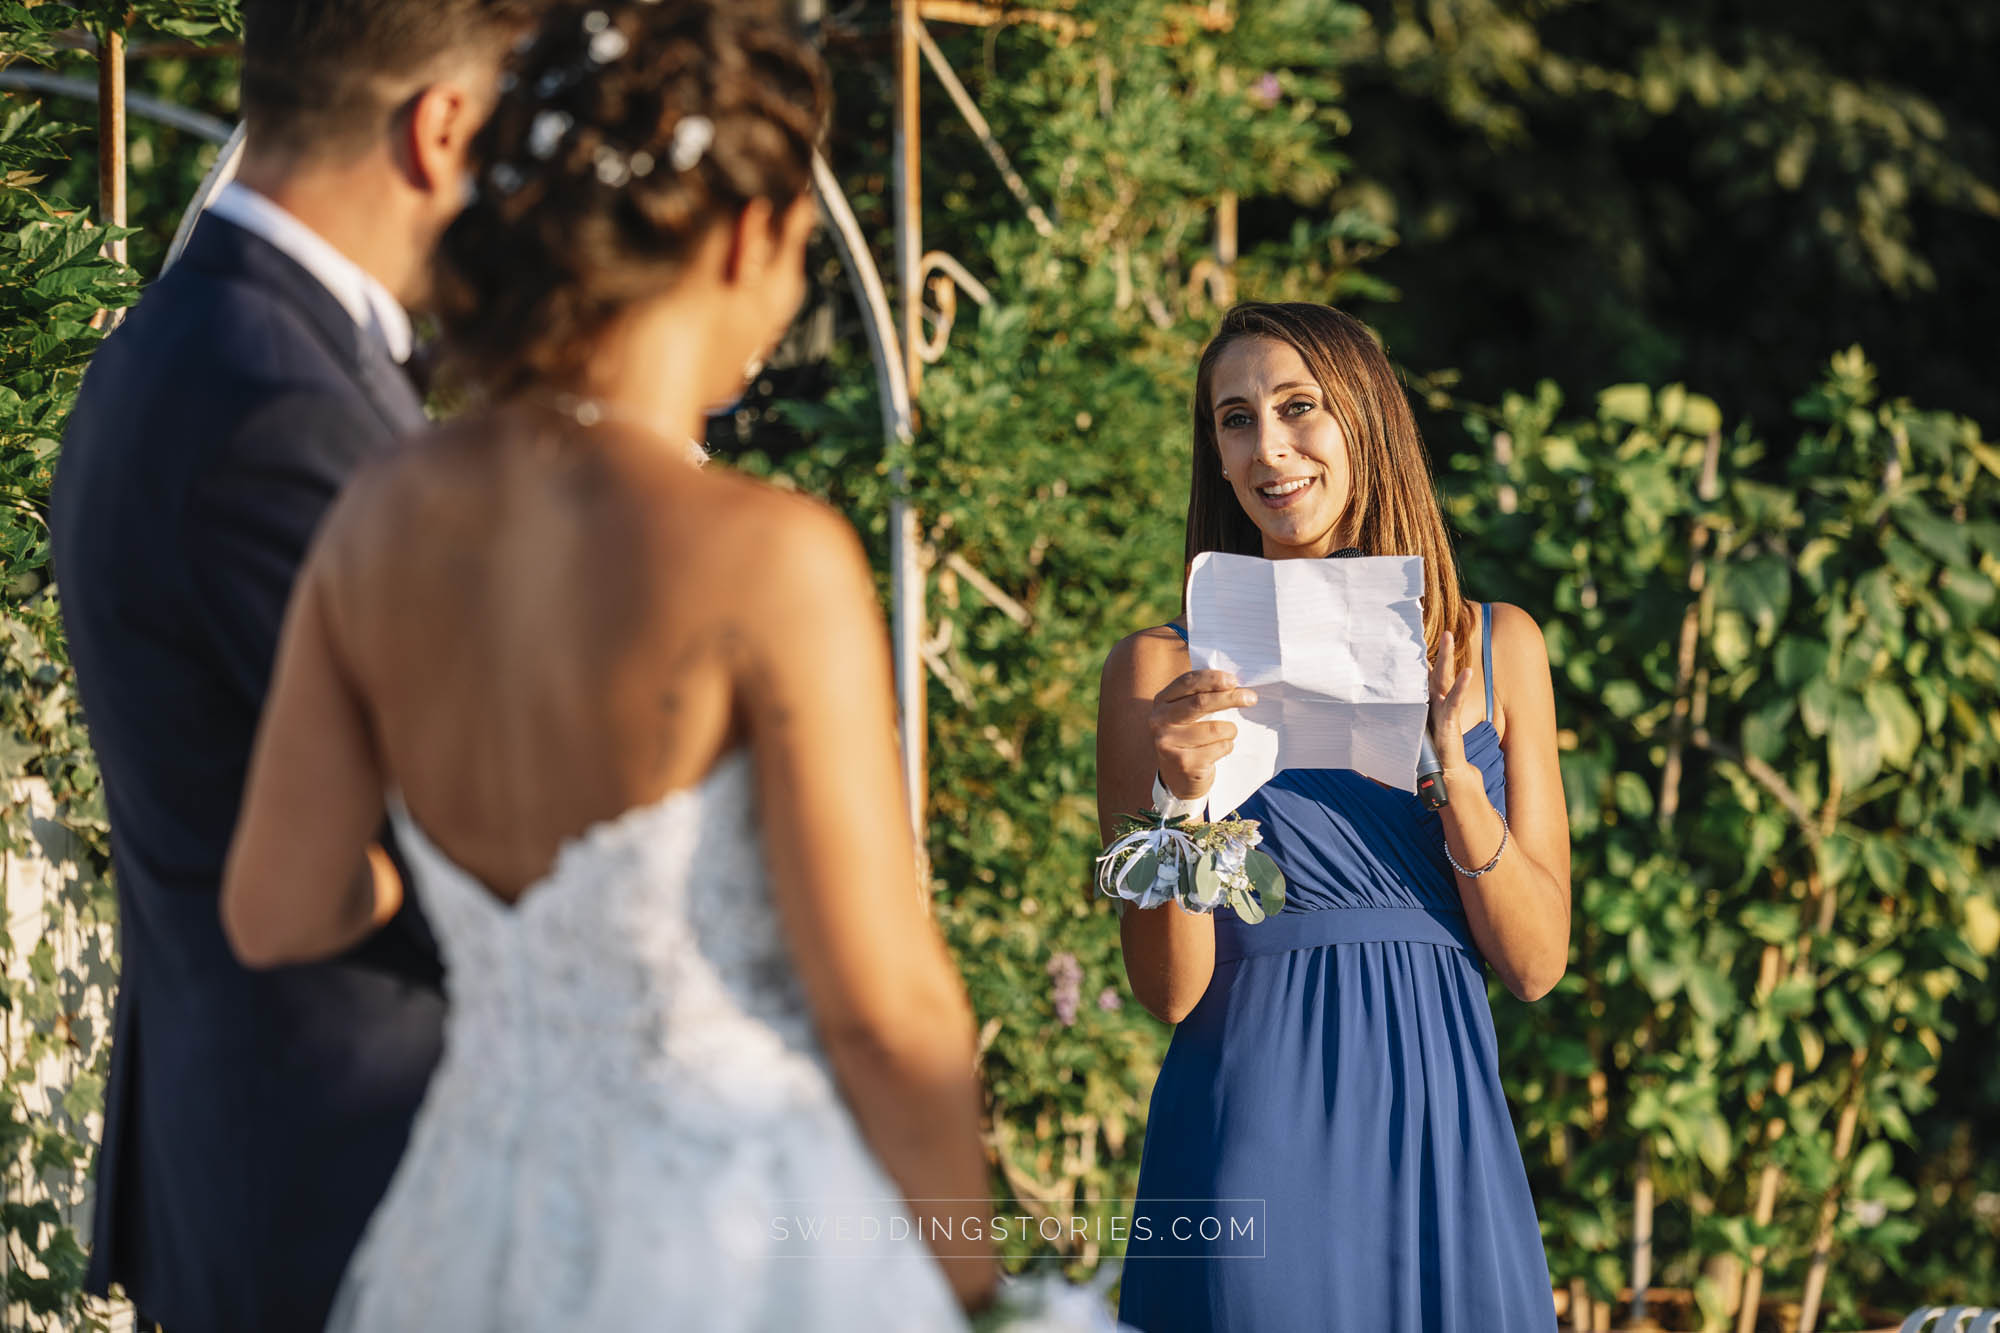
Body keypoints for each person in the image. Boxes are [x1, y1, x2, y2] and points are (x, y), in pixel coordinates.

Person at [217, 3, 1001, 1327]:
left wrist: (517, 952)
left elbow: (277, 908)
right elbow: (883, 1008)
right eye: (805, 249)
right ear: (750, 237)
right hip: (733, 1238)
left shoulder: (379, 519)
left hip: (466, 1229)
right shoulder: (770, 557)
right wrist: (974, 1291)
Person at [48, 1, 540, 1326]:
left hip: (269, 1166)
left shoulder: (189, 345)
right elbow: (462, 821)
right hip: (344, 1183)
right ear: (440, 129)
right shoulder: (280, 407)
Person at [1096, 302, 1571, 1331]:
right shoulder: (1160, 672)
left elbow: (1534, 966)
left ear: (1365, 422)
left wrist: (1454, 772)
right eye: (1232, 418)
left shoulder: (1497, 646)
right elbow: (1165, 990)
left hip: (1440, 1125)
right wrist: (1178, 801)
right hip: (1249, 1122)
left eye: (1297, 407)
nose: (1266, 448)